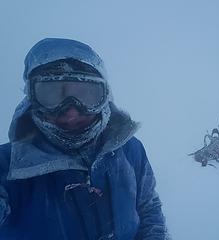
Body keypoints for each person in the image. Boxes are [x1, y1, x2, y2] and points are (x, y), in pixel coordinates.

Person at [0, 38, 169, 240]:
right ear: (31, 99)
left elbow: (148, 207)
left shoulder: (130, 149)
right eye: (52, 95)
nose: (71, 113)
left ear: (105, 97)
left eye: (87, 95)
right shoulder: (7, 168)